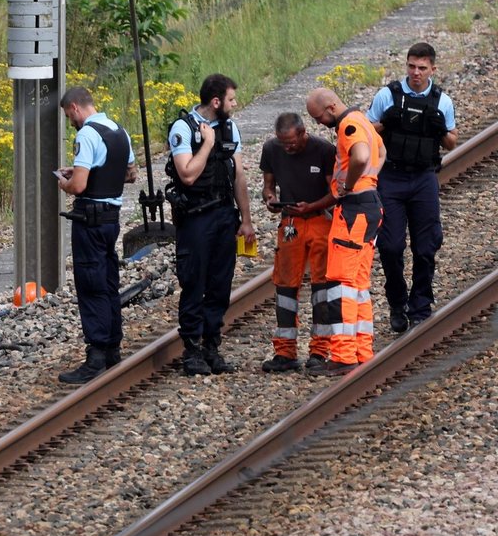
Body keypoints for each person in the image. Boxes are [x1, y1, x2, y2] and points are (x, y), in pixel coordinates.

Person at [164, 73, 255, 375]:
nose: (235, 104)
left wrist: (246, 220)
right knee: (194, 282)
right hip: (196, 218)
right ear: (216, 102)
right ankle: (191, 351)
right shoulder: (184, 129)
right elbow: (187, 174)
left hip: (224, 215)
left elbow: (238, 176)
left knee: (219, 284)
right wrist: (207, 145)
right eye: (231, 99)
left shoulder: (230, 128)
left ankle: (211, 346)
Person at [366, 42, 458, 333]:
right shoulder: (387, 95)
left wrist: (440, 128)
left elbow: (452, 141)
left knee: (426, 246)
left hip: (423, 178)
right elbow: (366, 134)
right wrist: (385, 123)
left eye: (421, 68)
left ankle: (420, 304)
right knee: (391, 246)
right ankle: (397, 302)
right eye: (411, 66)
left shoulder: (441, 100)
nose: (415, 73)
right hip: (391, 178)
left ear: (432, 69)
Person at [55, 86, 136, 384]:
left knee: (90, 283)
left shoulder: (87, 135)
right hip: (111, 220)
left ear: (75, 108)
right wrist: (80, 171)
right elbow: (131, 174)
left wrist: (65, 182)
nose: (70, 122)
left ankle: (97, 353)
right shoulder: (120, 131)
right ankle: (113, 346)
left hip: (89, 220)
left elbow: (78, 187)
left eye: (68, 116)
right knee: (108, 280)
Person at [306, 88, 386, 375]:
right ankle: (362, 350)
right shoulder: (362, 120)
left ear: (330, 107)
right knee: (358, 285)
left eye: (318, 117)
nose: (318, 123)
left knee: (341, 284)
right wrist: (369, 180)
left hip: (354, 209)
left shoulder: (348, 125)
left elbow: (362, 155)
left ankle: (342, 355)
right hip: (370, 205)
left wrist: (350, 185)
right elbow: (381, 151)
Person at [259, 112, 337, 372]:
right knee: (284, 286)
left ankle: (319, 350)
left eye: (291, 142)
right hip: (290, 222)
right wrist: (270, 197)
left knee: (322, 286)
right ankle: (285, 352)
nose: (287, 147)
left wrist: (311, 206)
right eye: (283, 143)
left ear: (304, 133)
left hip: (319, 220)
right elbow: (268, 185)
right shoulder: (271, 149)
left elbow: (335, 192)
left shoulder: (324, 150)